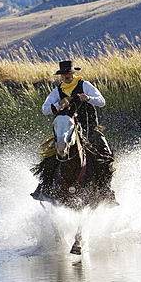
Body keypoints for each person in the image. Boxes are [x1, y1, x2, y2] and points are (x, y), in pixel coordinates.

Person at [31, 60, 116, 203]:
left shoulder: (85, 85)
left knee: (105, 154)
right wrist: (58, 104)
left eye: (69, 73)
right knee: (49, 156)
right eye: (64, 74)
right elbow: (45, 109)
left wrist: (88, 98)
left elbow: (101, 101)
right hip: (67, 131)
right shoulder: (57, 91)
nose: (67, 76)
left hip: (89, 130)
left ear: (73, 73)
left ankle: (105, 190)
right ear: (61, 76)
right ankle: (44, 187)